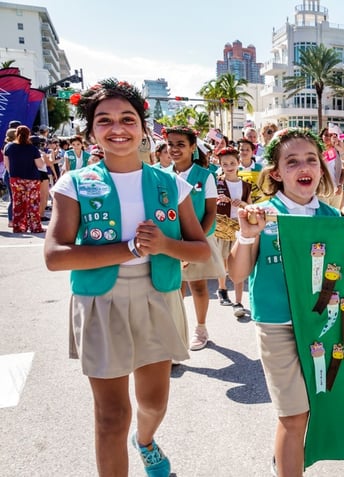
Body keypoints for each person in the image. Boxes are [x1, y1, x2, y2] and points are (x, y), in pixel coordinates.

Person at [44, 78, 210, 477]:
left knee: (153, 403)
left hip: (158, 294)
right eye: (105, 120)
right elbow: (54, 256)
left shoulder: (172, 183)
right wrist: (131, 250)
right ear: (91, 131)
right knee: (111, 417)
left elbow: (201, 249)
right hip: (101, 299)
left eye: (127, 118)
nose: (117, 128)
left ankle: (146, 439)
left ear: (143, 126)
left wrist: (164, 246)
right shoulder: (75, 183)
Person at [227, 127, 344, 477]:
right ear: (276, 172)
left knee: (315, 407)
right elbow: (236, 273)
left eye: (311, 159)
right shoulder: (260, 214)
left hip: (323, 327)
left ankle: (284, 459)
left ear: (322, 168)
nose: (304, 166)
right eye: (292, 160)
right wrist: (245, 235)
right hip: (277, 325)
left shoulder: (333, 219)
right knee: (293, 415)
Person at [166, 126, 225, 351]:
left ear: (193, 147)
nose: (174, 149)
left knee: (198, 286)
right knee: (173, 288)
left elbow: (211, 211)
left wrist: (193, 244)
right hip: (170, 240)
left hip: (198, 237)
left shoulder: (205, 175)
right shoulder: (161, 174)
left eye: (181, 144)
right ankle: (176, 331)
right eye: (171, 144)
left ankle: (201, 329)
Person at [213, 146, 252, 315]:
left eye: (232, 163)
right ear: (220, 165)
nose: (229, 166)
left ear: (238, 163)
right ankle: (222, 290)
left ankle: (238, 301)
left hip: (238, 225)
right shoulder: (216, 183)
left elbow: (250, 206)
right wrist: (217, 200)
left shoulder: (245, 185)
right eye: (225, 163)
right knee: (222, 260)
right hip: (221, 225)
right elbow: (208, 203)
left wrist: (241, 204)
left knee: (238, 262)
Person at [5, 125, 45, 233]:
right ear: (29, 135)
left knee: (18, 203)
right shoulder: (32, 149)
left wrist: (14, 174)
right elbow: (40, 165)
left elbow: (7, 165)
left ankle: (18, 226)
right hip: (32, 178)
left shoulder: (9, 147)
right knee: (33, 203)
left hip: (15, 178)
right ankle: (35, 227)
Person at [319, 125, 344, 211]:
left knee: (335, 216)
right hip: (321, 190)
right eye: (326, 135)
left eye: (331, 135)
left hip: (336, 190)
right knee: (323, 216)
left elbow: (343, 171)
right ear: (321, 136)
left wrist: (340, 185)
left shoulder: (338, 151)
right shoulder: (316, 151)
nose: (328, 137)